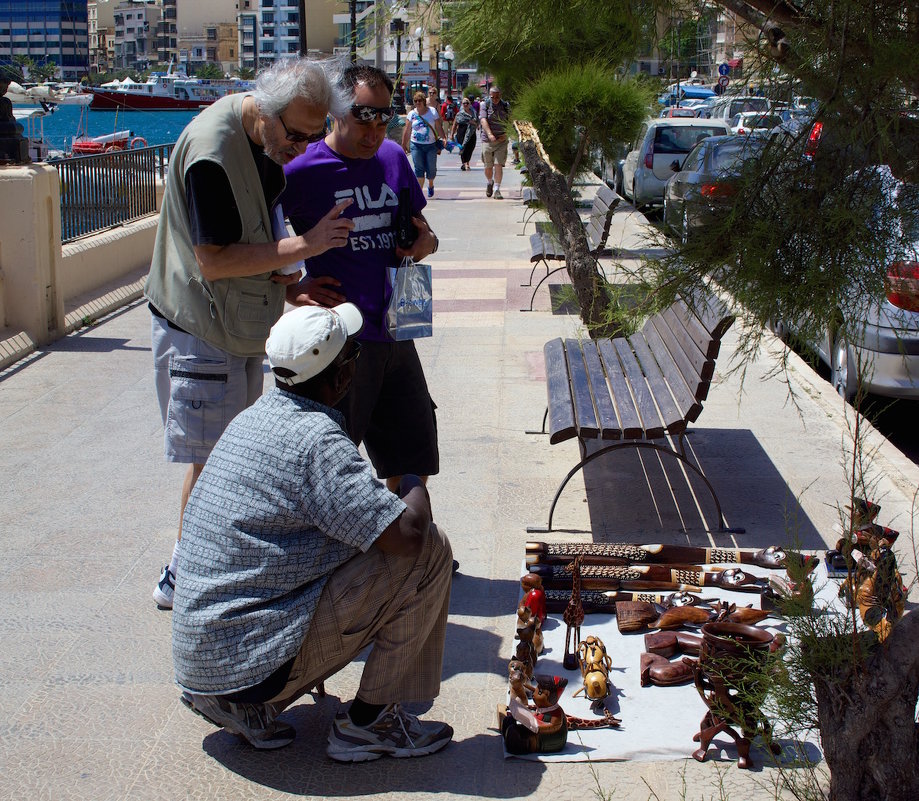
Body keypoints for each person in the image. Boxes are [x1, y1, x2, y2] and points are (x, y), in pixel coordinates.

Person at [174, 302, 455, 760]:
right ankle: (369, 723)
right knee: (429, 553)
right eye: (353, 354)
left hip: (202, 658)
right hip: (246, 657)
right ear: (341, 376)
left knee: (361, 542)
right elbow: (407, 536)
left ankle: (236, 703)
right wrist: (409, 476)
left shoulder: (254, 418)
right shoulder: (316, 443)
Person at [144, 58, 355, 610]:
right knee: (211, 462)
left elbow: (256, 236)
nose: (302, 147)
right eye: (297, 134)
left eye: (314, 136)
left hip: (237, 328)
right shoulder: (213, 151)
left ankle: (200, 566)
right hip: (202, 329)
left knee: (228, 459)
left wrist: (289, 289)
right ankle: (182, 576)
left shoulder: (264, 145)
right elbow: (213, 260)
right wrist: (308, 246)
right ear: (265, 108)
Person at [281, 67, 441, 501]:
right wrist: (289, 290)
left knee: (413, 453)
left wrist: (427, 242)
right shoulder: (301, 171)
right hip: (341, 338)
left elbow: (420, 225)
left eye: (383, 117)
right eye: (362, 115)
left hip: (398, 326)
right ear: (336, 113)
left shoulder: (393, 157)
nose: (373, 129)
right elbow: (261, 239)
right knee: (332, 456)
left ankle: (410, 551)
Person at [402, 90, 445, 196]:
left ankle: (430, 184)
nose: (417, 103)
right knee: (418, 168)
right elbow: (407, 130)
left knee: (431, 169)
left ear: (424, 101)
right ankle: (419, 194)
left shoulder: (432, 111)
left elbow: (438, 126)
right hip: (416, 145)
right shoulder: (412, 114)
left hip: (430, 145)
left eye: (420, 100)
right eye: (415, 101)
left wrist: (444, 137)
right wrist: (403, 145)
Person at [480, 85, 510, 199]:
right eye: (493, 97)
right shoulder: (485, 105)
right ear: (490, 96)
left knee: (498, 165)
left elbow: (510, 121)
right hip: (487, 140)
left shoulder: (506, 106)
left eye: (497, 97)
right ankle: (490, 182)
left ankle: (497, 189)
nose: (495, 99)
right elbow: (483, 120)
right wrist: (489, 134)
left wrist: (506, 134)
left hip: (501, 141)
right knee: (488, 166)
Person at [451, 96, 478, 171]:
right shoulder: (459, 114)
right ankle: (466, 164)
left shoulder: (474, 113)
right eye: (464, 103)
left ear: (470, 104)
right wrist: (452, 134)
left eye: (467, 103)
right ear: (462, 104)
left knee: (470, 147)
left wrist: (473, 123)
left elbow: (477, 123)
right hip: (461, 132)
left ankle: (466, 162)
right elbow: (455, 124)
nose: (465, 104)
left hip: (471, 133)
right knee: (463, 148)